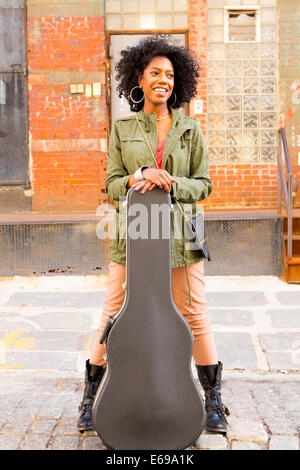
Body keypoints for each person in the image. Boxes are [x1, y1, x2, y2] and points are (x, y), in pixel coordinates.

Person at [77, 35, 229, 438]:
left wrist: (172, 183)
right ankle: (91, 398)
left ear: (177, 84)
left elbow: (205, 185)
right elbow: (111, 184)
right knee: (113, 310)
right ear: (139, 80)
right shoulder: (123, 129)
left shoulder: (190, 129)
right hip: (134, 235)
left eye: (170, 74)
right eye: (155, 73)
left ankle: (213, 400)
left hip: (180, 236)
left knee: (194, 311)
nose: (163, 79)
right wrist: (139, 175)